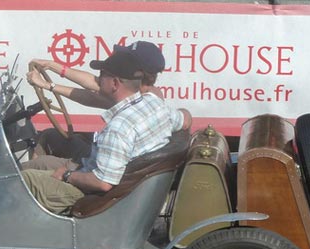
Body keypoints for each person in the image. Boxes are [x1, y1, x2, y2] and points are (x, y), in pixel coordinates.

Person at [21, 51, 187, 215]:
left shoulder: (119, 128)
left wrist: (68, 175)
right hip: (102, 171)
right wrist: (51, 70)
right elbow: (185, 119)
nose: (98, 79)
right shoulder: (154, 103)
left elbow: (103, 182)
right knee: (34, 165)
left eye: (102, 75)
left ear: (115, 83)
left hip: (92, 195)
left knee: (20, 179)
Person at [25, 41, 190, 162]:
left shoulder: (134, 98)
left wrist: (47, 85)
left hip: (102, 161)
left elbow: (91, 96)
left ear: (135, 68)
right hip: (113, 155)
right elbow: (94, 83)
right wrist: (52, 66)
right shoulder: (147, 94)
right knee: (52, 136)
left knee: (46, 143)